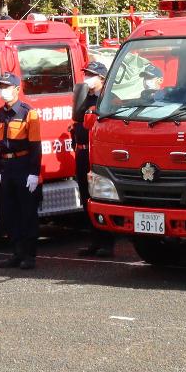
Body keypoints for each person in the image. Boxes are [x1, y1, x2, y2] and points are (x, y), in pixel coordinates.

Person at [0, 72, 43, 270]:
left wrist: (34, 173)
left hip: (23, 166)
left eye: (5, 87)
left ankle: (29, 256)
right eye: (0, 87)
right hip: (7, 167)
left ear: (16, 89)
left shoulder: (28, 112)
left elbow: (36, 146)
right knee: (10, 212)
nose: (2, 91)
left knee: (27, 212)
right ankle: (16, 253)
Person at [73, 57, 113, 257]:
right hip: (82, 152)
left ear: (102, 78)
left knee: (100, 196)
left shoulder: (108, 99)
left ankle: (107, 243)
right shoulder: (84, 98)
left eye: (91, 75)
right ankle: (94, 240)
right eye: (86, 74)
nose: (86, 78)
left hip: (97, 153)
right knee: (86, 197)